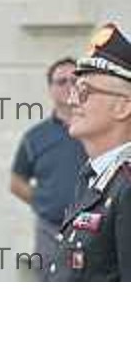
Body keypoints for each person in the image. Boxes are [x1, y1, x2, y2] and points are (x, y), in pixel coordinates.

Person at [47, 23, 131, 282]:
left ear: (123, 107)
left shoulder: (126, 188)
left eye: (85, 91)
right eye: (74, 89)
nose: (72, 101)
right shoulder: (95, 175)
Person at [10, 58, 88, 279]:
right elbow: (16, 182)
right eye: (61, 81)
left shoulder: (97, 129)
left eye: (74, 80)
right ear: (50, 89)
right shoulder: (35, 137)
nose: (68, 86)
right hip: (50, 231)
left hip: (92, 230)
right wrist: (43, 201)